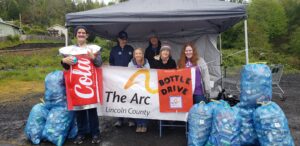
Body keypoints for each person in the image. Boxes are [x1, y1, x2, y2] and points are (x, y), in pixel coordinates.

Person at [60, 26, 102, 144]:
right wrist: (63, 61)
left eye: (83, 32)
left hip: (89, 84)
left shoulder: (93, 49)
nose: (81, 34)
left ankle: (95, 133)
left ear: (87, 35)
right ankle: (81, 133)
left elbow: (99, 64)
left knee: (92, 111)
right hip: (76, 84)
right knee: (79, 111)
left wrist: (93, 58)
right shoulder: (70, 51)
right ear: (76, 35)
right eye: (79, 32)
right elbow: (67, 67)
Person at [109, 31, 135, 127]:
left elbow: (134, 62)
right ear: (118, 39)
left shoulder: (130, 49)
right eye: (122, 39)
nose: (124, 41)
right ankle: (119, 119)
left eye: (125, 39)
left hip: (129, 78)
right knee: (119, 98)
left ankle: (131, 119)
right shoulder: (114, 49)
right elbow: (111, 63)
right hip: (117, 78)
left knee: (130, 97)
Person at [128, 48, 150, 133]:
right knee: (136, 106)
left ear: (142, 55)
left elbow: (149, 75)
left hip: (144, 88)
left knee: (144, 106)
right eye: (136, 53)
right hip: (134, 88)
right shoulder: (130, 64)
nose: (138, 55)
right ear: (134, 55)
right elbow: (127, 75)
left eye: (140, 53)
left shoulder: (147, 64)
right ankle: (138, 124)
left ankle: (144, 124)